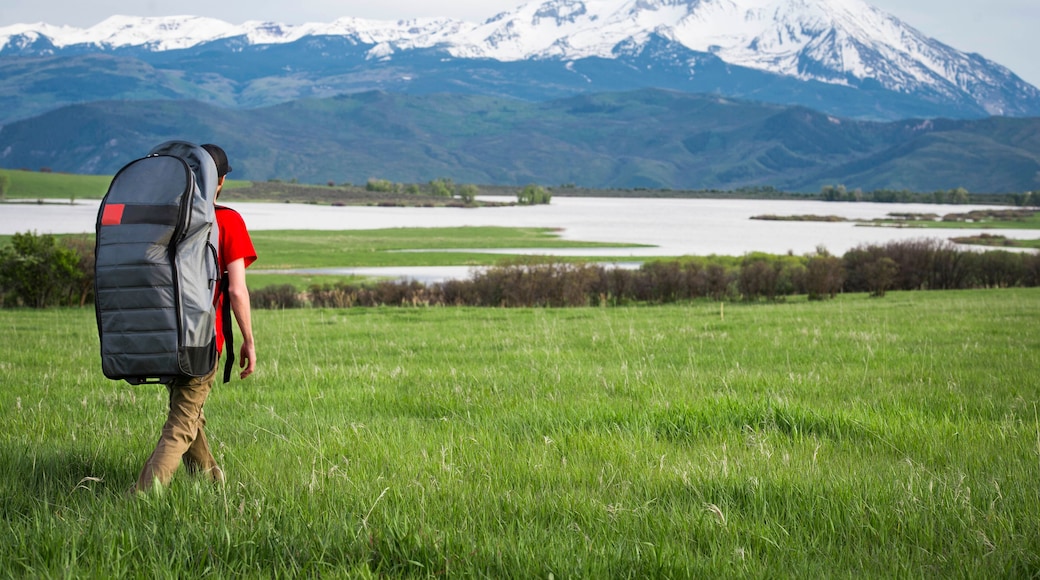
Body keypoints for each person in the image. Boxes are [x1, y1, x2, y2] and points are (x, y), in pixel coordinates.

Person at [132, 143, 257, 493]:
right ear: (220, 181)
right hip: (201, 339)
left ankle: (210, 480)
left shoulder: (164, 218)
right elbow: (236, 291)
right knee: (183, 421)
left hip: (162, 334)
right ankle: (144, 494)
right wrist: (248, 340)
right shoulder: (227, 221)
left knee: (189, 409)